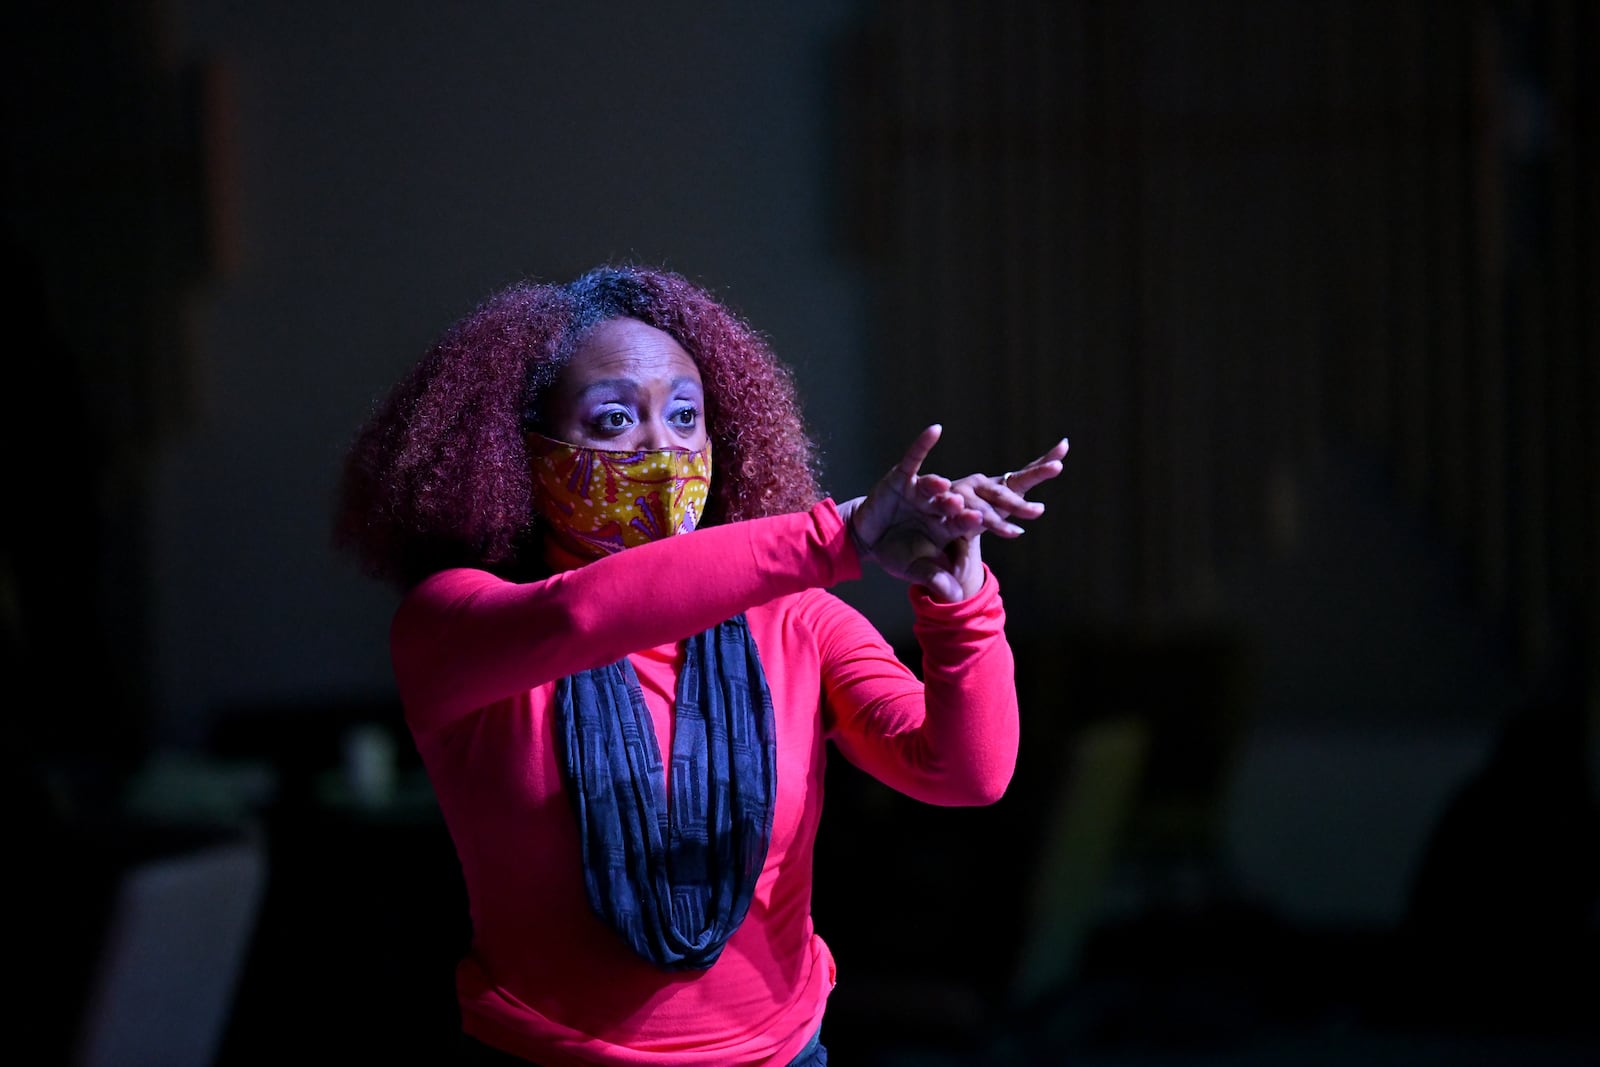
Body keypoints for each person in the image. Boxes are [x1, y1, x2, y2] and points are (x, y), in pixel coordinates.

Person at [332, 264, 1067, 1066]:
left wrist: (960, 601)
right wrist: (836, 536)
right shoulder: (458, 624)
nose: (663, 447)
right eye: (612, 420)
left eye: (687, 416)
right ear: (518, 452)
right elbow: (581, 613)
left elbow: (968, 771)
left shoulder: (795, 618)